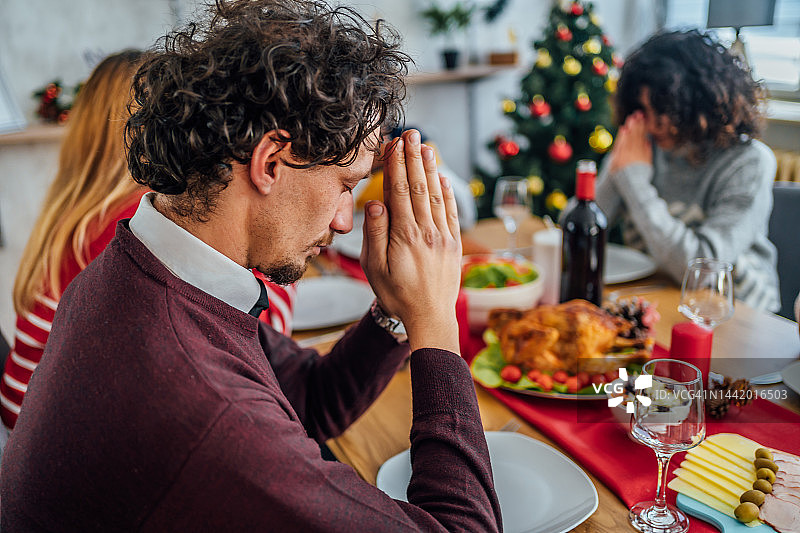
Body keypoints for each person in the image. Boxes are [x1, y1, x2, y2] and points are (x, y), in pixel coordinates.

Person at [0, 1, 502, 531]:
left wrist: (398, 310)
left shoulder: (145, 268)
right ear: (270, 162)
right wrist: (437, 322)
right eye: (344, 185)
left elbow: (309, 398)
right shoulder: (210, 410)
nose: (342, 222)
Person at [0, 50, 296, 432]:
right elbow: (254, 344)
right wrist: (281, 255)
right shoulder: (136, 223)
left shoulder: (77, 213)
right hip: (56, 428)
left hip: (23, 409)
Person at [596, 29, 780, 312]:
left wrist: (634, 180)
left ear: (701, 103)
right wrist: (616, 168)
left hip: (738, 311)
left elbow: (702, 271)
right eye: (644, 109)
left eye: (666, 109)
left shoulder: (749, 162)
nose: (656, 125)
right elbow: (583, 231)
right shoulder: (641, 145)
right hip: (662, 297)